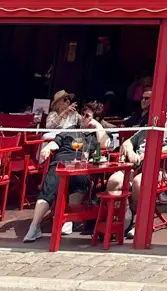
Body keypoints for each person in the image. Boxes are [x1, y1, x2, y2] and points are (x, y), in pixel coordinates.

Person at [23, 101, 110, 242]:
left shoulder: (96, 135)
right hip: (61, 163)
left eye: (87, 116)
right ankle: (34, 226)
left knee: (80, 179)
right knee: (49, 187)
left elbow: (105, 144)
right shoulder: (72, 129)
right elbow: (56, 142)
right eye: (82, 114)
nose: (82, 117)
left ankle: (68, 219)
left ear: (96, 119)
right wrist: (47, 148)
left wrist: (97, 126)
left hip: (81, 166)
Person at [105, 101, 167, 239]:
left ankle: (138, 220)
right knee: (114, 180)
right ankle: (120, 216)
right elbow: (127, 142)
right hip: (138, 166)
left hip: (161, 169)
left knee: (139, 182)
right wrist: (130, 152)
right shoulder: (147, 128)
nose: (151, 114)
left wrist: (153, 152)